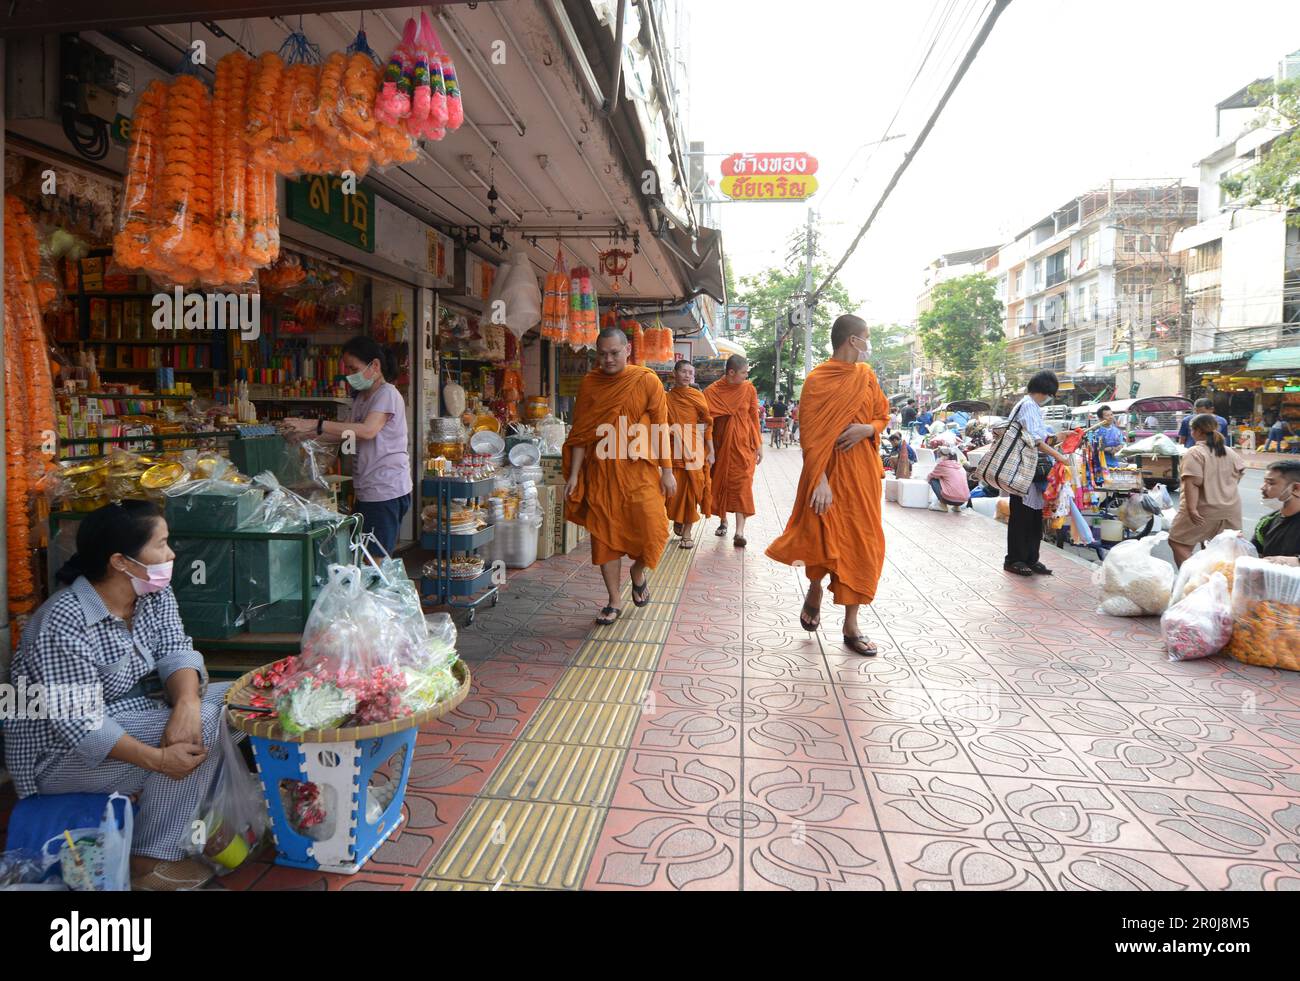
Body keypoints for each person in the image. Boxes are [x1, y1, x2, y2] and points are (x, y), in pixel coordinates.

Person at [3, 501, 236, 891]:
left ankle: (180, 809)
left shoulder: (152, 594)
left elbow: (176, 649)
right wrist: (160, 760)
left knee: (237, 700)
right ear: (121, 562)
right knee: (205, 729)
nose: (172, 554)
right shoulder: (62, 621)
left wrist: (188, 703)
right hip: (59, 758)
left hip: (132, 715)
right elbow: (82, 728)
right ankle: (152, 859)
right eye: (161, 544)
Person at [767, 314, 889, 657]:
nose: (868, 343)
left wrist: (868, 429)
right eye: (866, 337)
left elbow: (882, 414)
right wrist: (819, 481)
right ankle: (816, 587)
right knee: (823, 535)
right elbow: (809, 434)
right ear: (853, 340)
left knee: (864, 543)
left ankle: (852, 625)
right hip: (827, 473)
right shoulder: (818, 380)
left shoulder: (866, 377)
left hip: (862, 475)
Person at [564, 327, 675, 625]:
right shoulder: (590, 383)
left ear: (628, 350)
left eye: (614, 353)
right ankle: (614, 600)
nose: (608, 359)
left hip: (639, 471)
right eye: (602, 354)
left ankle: (637, 572)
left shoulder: (646, 379)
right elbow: (581, 433)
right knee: (604, 537)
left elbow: (661, 427)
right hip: (601, 471)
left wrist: (667, 471)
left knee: (654, 528)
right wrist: (574, 475)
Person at [283, 336, 411, 554]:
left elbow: (368, 430)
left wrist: (316, 423)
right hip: (367, 488)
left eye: (354, 368)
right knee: (361, 554)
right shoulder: (362, 398)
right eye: (348, 369)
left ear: (375, 366)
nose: (350, 375)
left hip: (385, 490)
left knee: (374, 559)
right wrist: (308, 436)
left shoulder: (387, 394)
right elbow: (349, 434)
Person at [1004, 371, 1071, 576]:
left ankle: (1032, 558)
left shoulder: (1030, 406)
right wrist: (1059, 457)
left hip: (1032, 471)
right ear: (1046, 391)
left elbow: (1042, 439)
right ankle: (1015, 559)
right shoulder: (1029, 406)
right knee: (1021, 517)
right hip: (1023, 470)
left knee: (1034, 517)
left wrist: (1059, 438)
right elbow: (1037, 441)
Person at [1168, 412, 1247, 568]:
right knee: (1218, 550)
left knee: (1178, 542)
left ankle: (1194, 579)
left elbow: (1192, 483)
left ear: (1197, 431)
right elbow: (1237, 477)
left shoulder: (1195, 452)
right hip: (1230, 510)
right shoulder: (1229, 452)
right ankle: (1213, 583)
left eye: (1192, 430)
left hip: (1202, 509)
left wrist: (1191, 510)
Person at [704, 354, 763, 547]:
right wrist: (710, 450)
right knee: (722, 484)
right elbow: (708, 424)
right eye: (744, 373)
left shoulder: (748, 389)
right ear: (731, 373)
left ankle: (739, 532)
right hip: (721, 447)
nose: (746, 376)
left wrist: (759, 445)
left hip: (744, 447)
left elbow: (754, 418)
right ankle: (723, 521)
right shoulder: (712, 392)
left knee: (742, 485)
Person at [664, 360, 714, 549]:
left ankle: (687, 532)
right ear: (674, 373)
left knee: (693, 489)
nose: (687, 375)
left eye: (690, 373)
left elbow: (708, 423)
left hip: (694, 447)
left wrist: (712, 450)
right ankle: (678, 518)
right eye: (683, 371)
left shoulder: (697, 396)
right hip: (672, 447)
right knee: (672, 492)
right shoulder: (666, 398)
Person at [1252, 460, 1300, 565]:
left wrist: (1297, 561)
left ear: (1296, 488)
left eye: (1270, 483)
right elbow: (1254, 554)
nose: (1262, 487)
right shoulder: (1266, 522)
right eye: (1264, 482)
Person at [928, 444, 971, 513]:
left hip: (948, 499)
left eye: (940, 455)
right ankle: (957, 507)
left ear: (946, 457)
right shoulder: (960, 467)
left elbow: (930, 476)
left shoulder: (942, 465)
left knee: (933, 480)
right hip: (963, 500)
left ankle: (943, 505)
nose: (939, 457)